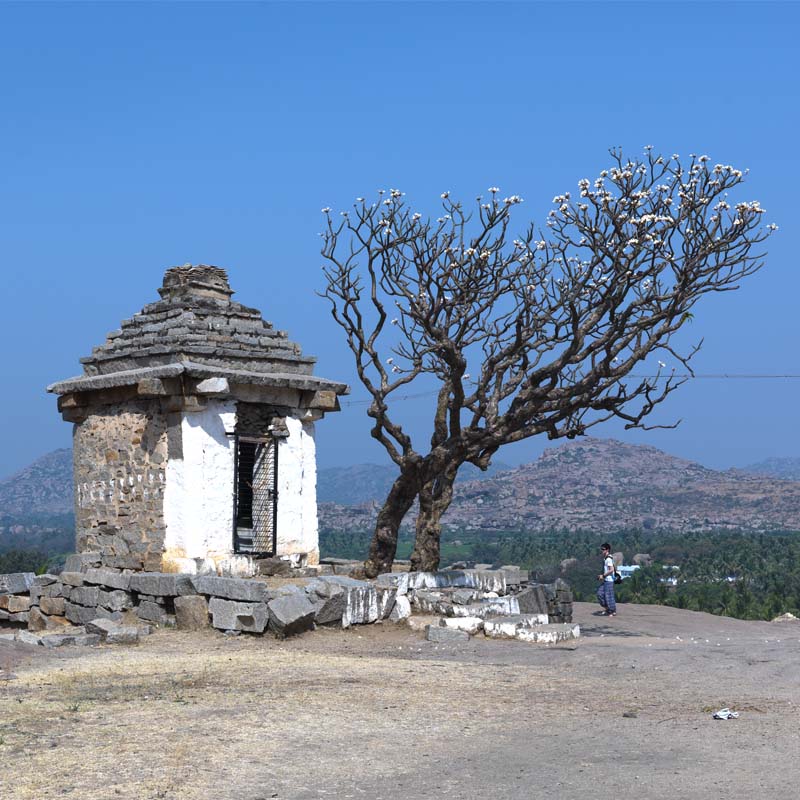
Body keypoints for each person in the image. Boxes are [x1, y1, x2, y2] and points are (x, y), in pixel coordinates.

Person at [596, 542, 617, 616]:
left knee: (608, 596)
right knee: (600, 594)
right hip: (605, 580)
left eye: (603, 549)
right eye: (601, 549)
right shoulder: (605, 558)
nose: (602, 551)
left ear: (607, 550)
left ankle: (612, 611)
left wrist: (603, 576)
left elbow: (611, 569)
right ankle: (608, 609)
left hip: (609, 580)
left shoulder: (608, 559)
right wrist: (601, 576)